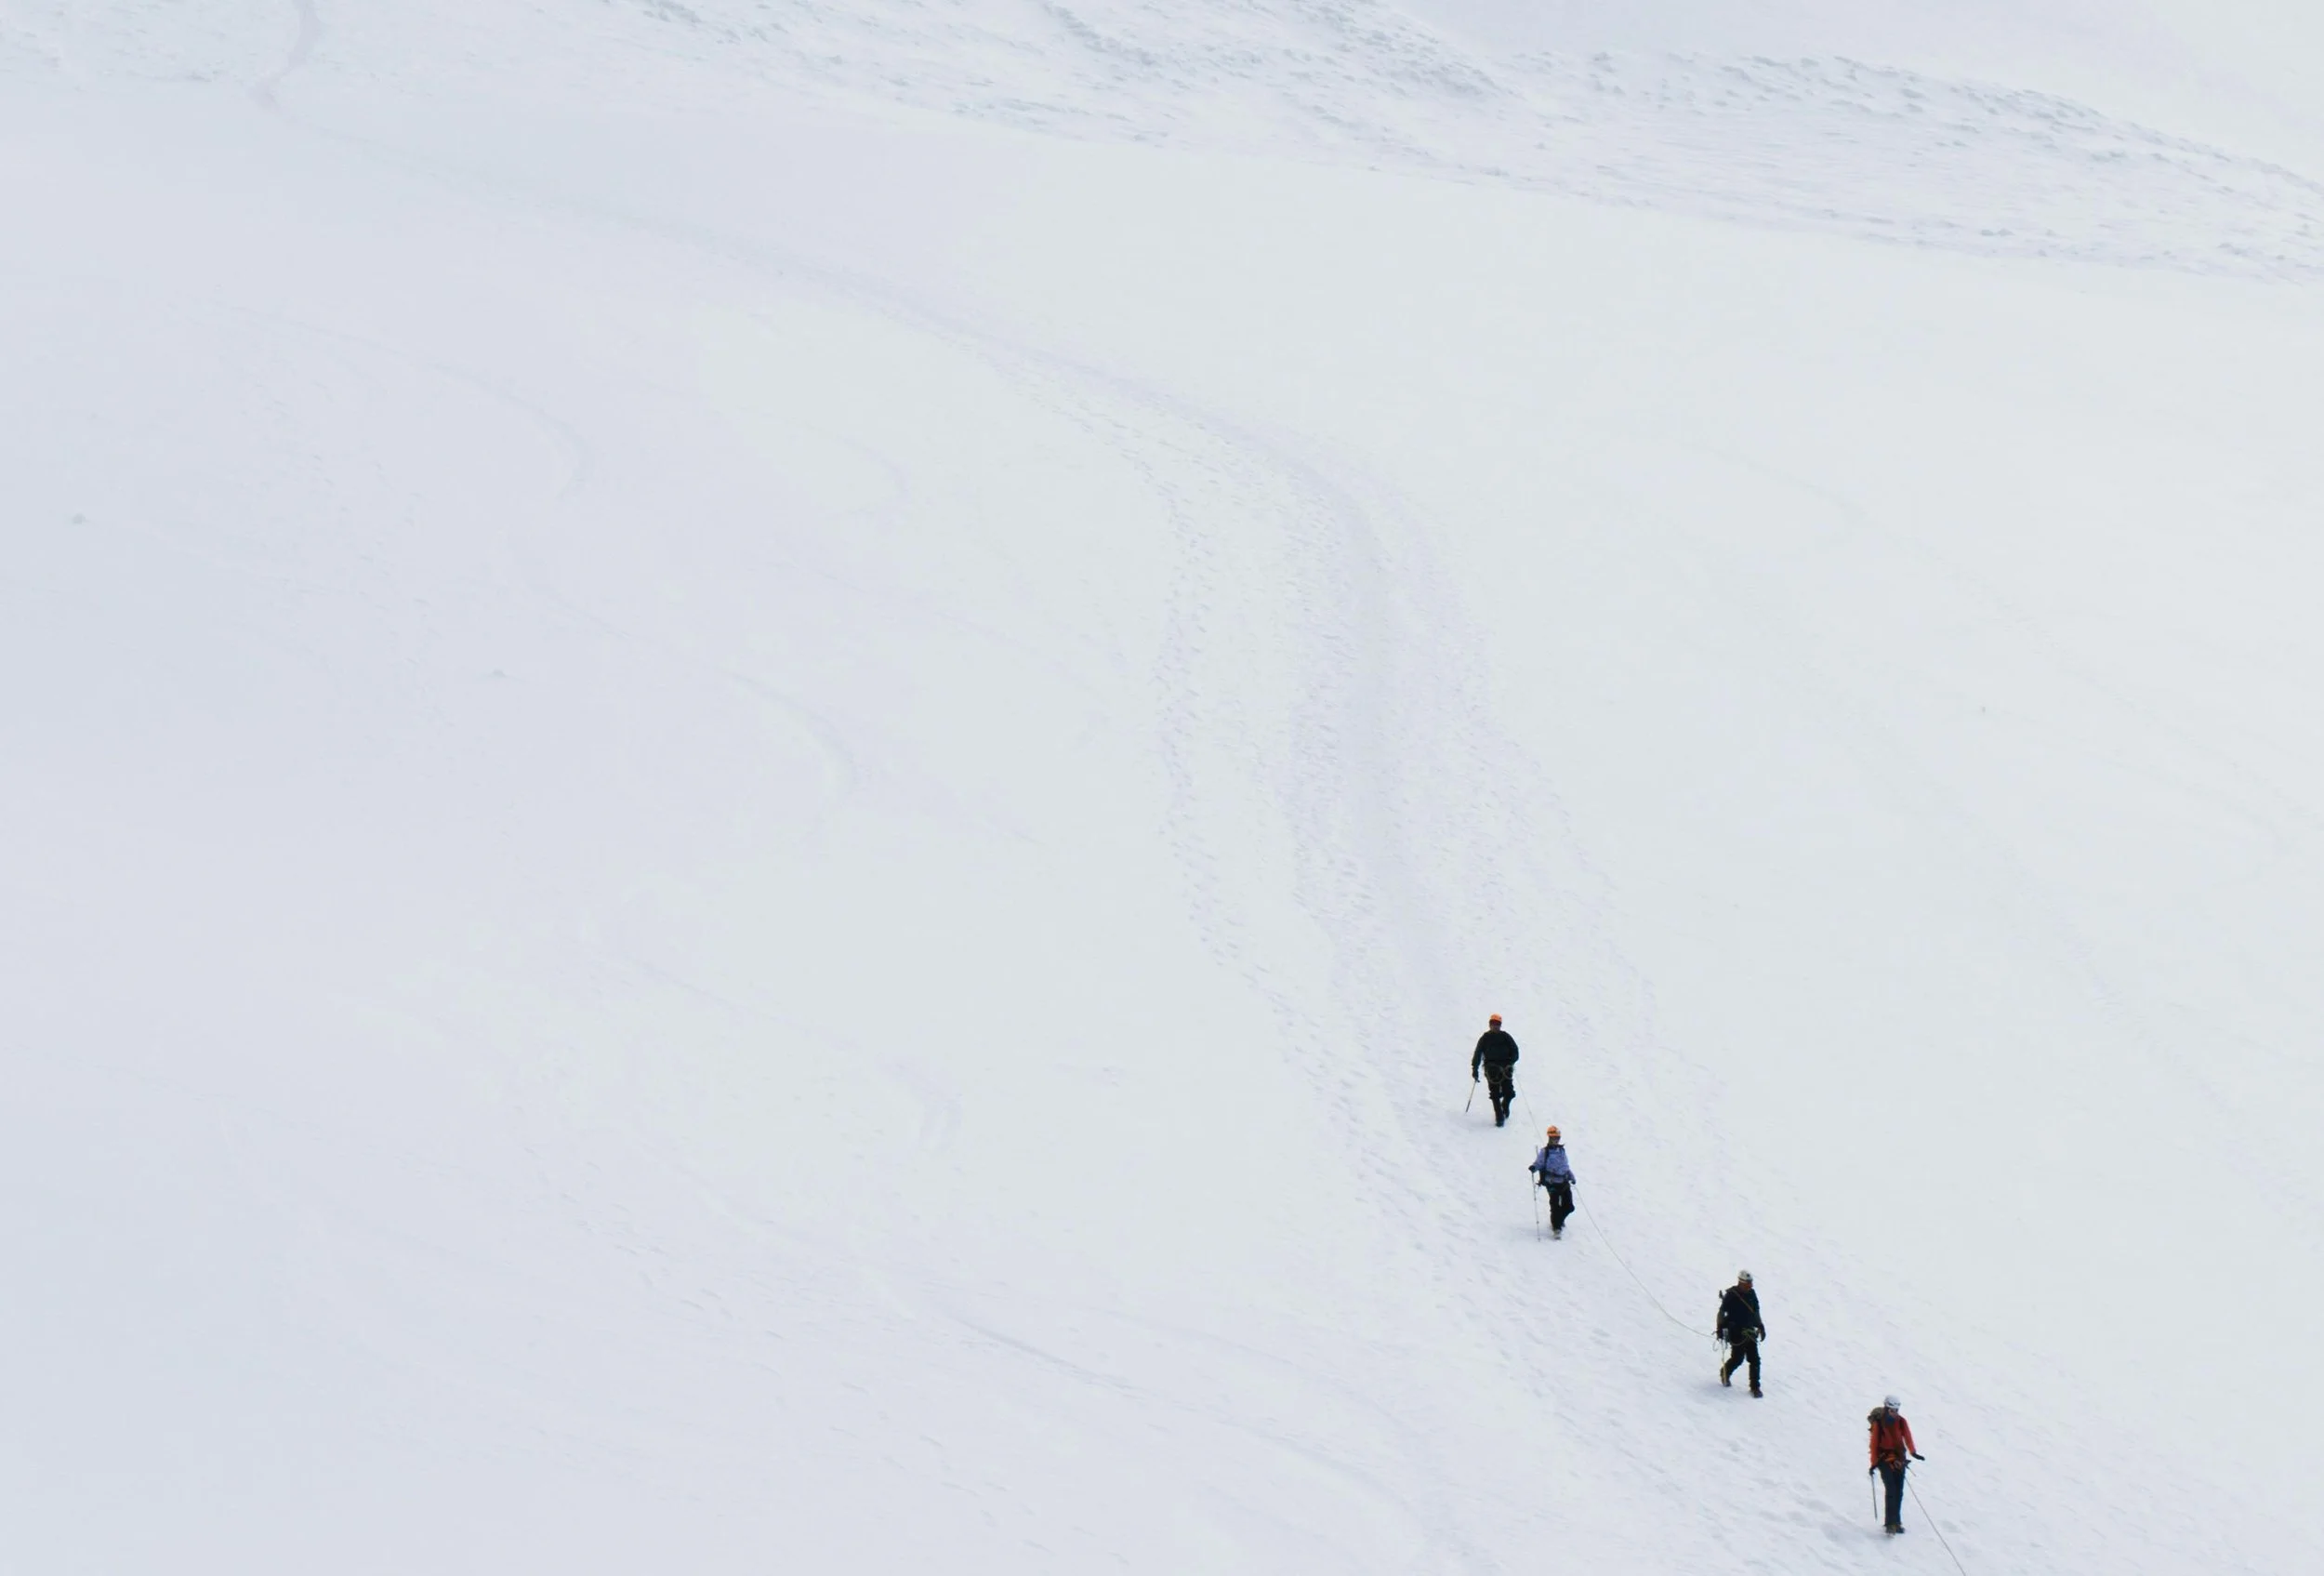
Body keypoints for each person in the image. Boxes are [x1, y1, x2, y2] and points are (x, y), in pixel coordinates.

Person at [1868, 1395, 1924, 1534]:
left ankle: (1897, 1522)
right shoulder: (1879, 1424)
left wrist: (1913, 1452)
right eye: (1892, 1410)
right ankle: (1890, 1524)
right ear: (1887, 1408)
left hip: (1899, 1459)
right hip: (1884, 1460)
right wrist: (1874, 1463)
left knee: (1899, 1491)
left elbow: (1907, 1436)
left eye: (1896, 1410)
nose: (1895, 1413)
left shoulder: (1901, 1422)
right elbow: (1874, 1444)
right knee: (1891, 1490)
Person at [1716, 1272, 1764, 1397]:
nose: (1751, 1285)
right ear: (1741, 1282)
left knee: (1754, 1360)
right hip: (1736, 1332)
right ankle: (1725, 1373)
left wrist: (1760, 1326)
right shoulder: (1732, 1295)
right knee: (1738, 1358)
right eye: (1748, 1283)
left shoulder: (1752, 1294)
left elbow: (1755, 1311)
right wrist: (1720, 1328)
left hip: (1749, 1331)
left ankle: (1755, 1387)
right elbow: (1722, 1312)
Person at [1471, 1013, 1519, 1126]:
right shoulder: (1485, 1038)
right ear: (1490, 1025)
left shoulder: (1506, 1037)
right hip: (1491, 1069)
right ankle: (1499, 1116)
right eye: (1493, 1024)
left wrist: (1511, 1061)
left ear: (1500, 1025)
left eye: (1497, 1024)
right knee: (1495, 1093)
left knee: (1509, 1093)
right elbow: (1478, 1053)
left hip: (1506, 1068)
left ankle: (1505, 1106)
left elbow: (1515, 1050)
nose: (1495, 1026)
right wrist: (1475, 1068)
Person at [1528, 1125, 1575, 1237]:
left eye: (1557, 1138)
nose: (1556, 1140)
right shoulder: (1545, 1152)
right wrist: (1534, 1167)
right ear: (1549, 1138)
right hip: (1552, 1183)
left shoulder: (1562, 1151)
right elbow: (1539, 1163)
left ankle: (1559, 1220)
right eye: (1553, 1138)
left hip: (1564, 1182)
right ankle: (1556, 1227)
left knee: (1569, 1206)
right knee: (1555, 1206)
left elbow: (1566, 1166)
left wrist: (1572, 1177)